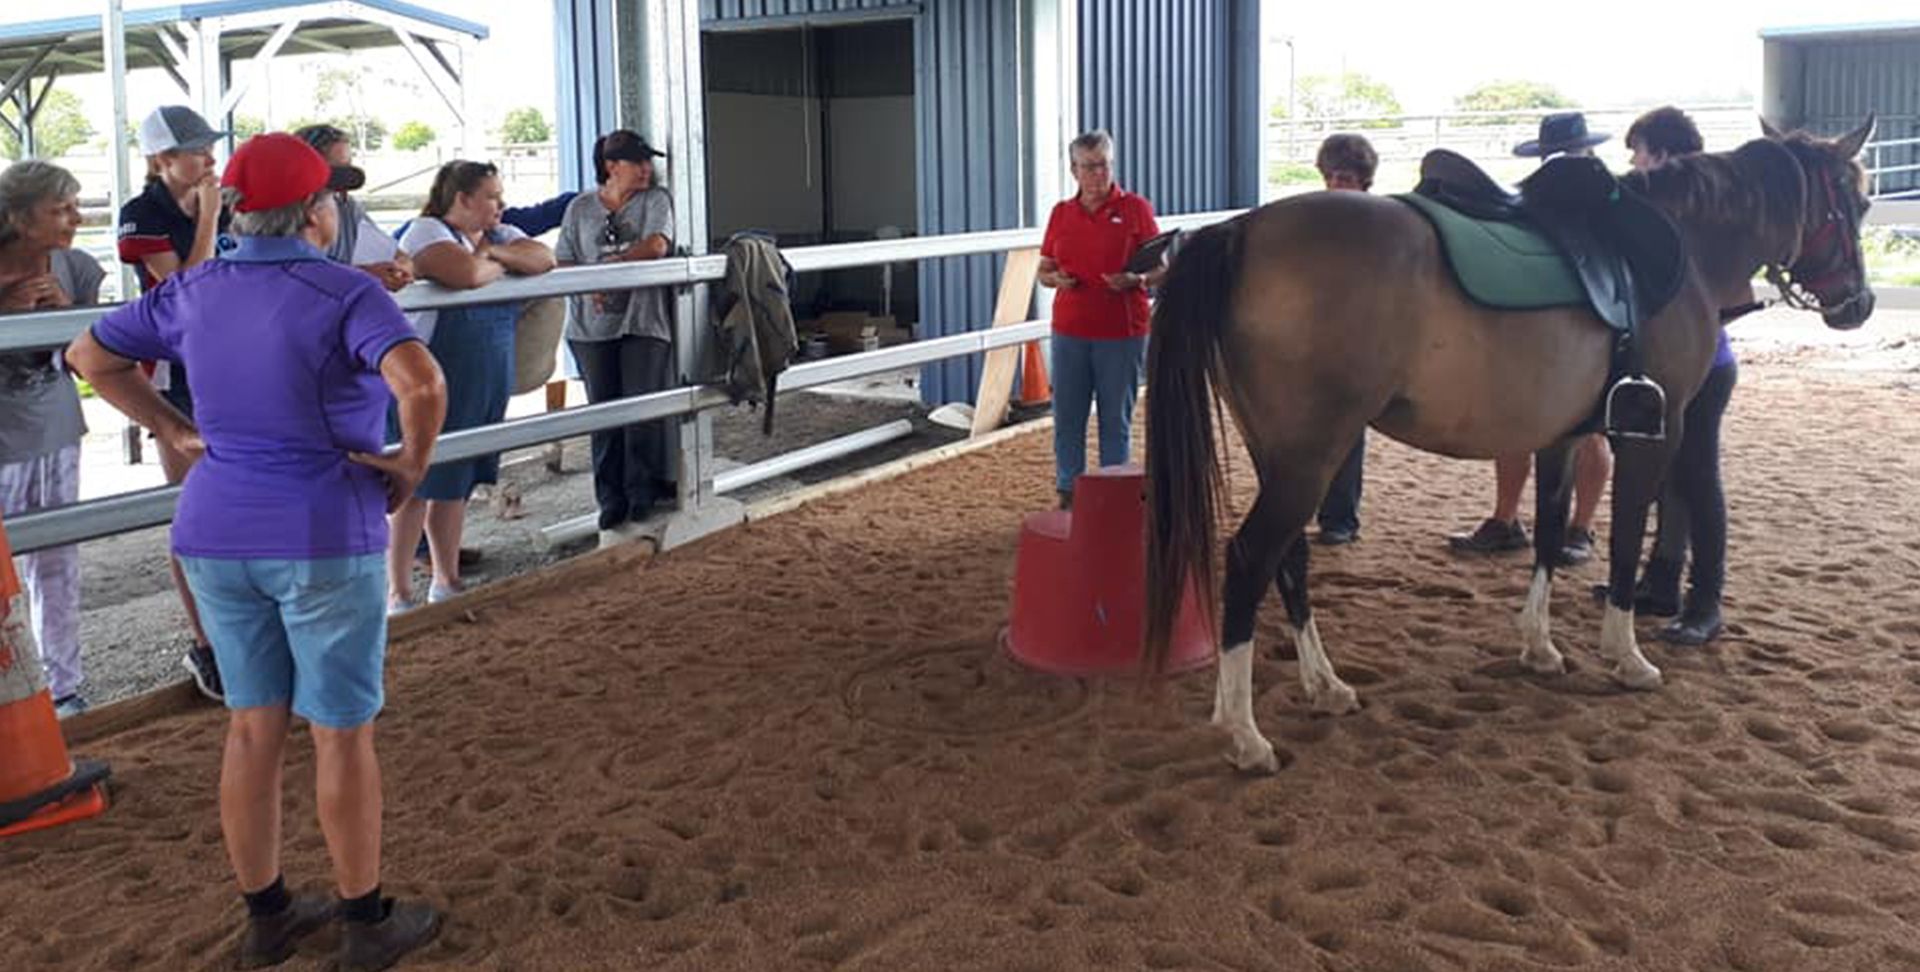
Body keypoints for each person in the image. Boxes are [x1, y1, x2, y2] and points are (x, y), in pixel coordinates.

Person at [67, 132, 448, 971]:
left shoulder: (193, 289)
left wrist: (171, 427)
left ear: (238, 208)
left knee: (251, 727)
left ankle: (269, 914)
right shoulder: (345, 291)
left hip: (212, 531)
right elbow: (421, 383)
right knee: (342, 733)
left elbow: (87, 354)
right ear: (317, 211)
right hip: (319, 528)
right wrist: (410, 462)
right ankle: (362, 921)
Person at [1448, 111, 1614, 565]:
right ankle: (1505, 519)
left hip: (1588, 331)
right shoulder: (1523, 203)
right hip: (1529, 330)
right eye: (1553, 156)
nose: (1560, 163)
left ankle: (1582, 527)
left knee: (1590, 430)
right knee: (1514, 424)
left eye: (1568, 154)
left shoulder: (1607, 202)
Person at [389, 161, 555, 610]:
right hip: (430, 374)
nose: (500, 205)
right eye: (491, 196)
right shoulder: (426, 232)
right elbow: (466, 275)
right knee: (413, 482)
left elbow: (544, 258)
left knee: (457, 479)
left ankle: (446, 580)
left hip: (483, 372)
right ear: (461, 199)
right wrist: (492, 263)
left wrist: (494, 256)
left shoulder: (500, 236)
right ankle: (398, 590)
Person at [117, 104, 228, 700]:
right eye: (197, 150)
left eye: (210, 147)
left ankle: (241, 630)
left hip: (226, 365)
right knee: (195, 508)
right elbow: (187, 289)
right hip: (174, 375)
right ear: (162, 160)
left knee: (240, 499)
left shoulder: (220, 205)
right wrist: (209, 218)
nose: (210, 158)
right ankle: (206, 641)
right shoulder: (141, 216)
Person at [1623, 106, 1732, 645]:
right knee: (1664, 476)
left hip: (1704, 364)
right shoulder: (1673, 207)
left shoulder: (1699, 212)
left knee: (1696, 476)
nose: (1635, 161)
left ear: (1663, 155)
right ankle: (1661, 583)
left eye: (1639, 150)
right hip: (1669, 357)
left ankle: (1706, 601)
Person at [0, 160, 103, 717]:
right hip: (4, 436)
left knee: (58, 561)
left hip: (57, 428)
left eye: (74, 206)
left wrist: (66, 320)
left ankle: (63, 687)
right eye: (59, 209)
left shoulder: (78, 268)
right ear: (17, 217)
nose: (74, 219)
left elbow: (96, 362)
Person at [553, 130, 677, 537]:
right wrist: (594, 284)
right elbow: (563, 260)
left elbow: (658, 245)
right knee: (603, 413)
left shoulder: (656, 200)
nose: (646, 169)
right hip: (591, 325)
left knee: (642, 408)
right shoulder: (579, 208)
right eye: (635, 162)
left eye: (647, 162)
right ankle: (610, 499)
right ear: (610, 166)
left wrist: (614, 269)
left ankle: (643, 491)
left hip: (643, 319)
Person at [1038, 129, 1163, 509]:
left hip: (1121, 331)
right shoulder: (1061, 214)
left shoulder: (1135, 209)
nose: (1098, 174)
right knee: (1068, 416)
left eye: (1104, 165)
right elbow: (1043, 270)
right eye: (1089, 167)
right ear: (1074, 170)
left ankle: (1114, 490)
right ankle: (1069, 490)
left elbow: (1162, 268)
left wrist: (1136, 279)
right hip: (1070, 330)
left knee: (1115, 416)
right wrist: (1055, 279)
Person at [1312, 134, 1376, 546]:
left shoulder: (1379, 224)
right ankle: (1322, 511)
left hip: (1359, 339)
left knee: (1347, 430)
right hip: (1318, 337)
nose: (1337, 185)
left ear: (1363, 180)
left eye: (1346, 177)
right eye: (1332, 177)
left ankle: (1340, 518)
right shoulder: (1315, 220)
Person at [294, 124, 413, 293]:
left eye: (348, 168)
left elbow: (397, 255)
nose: (345, 183)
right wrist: (362, 276)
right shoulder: (284, 214)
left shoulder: (347, 206)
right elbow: (294, 277)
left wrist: (399, 269)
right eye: (335, 173)